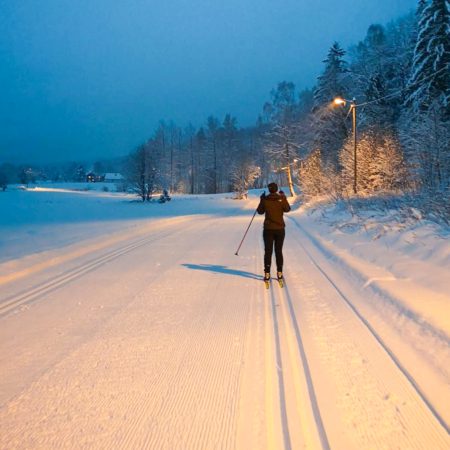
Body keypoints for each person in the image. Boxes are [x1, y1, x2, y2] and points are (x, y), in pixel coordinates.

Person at [257, 182, 291, 283]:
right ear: (276, 189)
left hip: (268, 229)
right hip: (280, 229)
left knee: (268, 251)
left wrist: (261, 199)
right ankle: (279, 273)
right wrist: (284, 197)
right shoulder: (281, 199)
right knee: (278, 251)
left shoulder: (265, 199)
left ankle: (267, 273)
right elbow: (287, 209)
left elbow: (260, 211)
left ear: (269, 189)